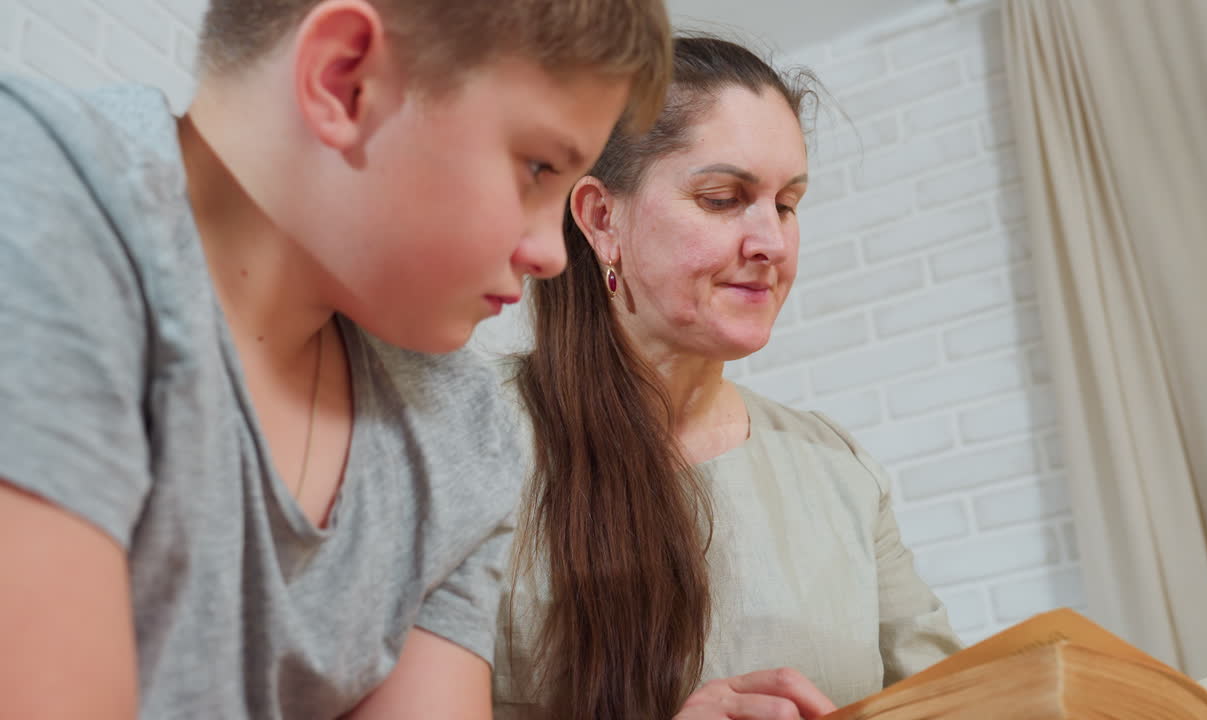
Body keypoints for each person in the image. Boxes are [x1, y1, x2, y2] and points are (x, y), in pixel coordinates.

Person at [0, 1, 670, 717]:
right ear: (344, 79)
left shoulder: (464, 435)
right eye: (537, 167)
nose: (548, 254)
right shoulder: (36, 190)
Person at [494, 36, 963, 720]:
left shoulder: (836, 470)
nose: (770, 241)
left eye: (787, 204)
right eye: (722, 197)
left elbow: (960, 697)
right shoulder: (463, 442)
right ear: (602, 218)